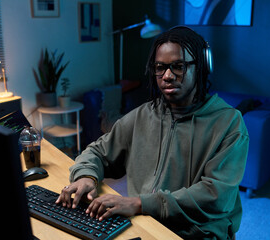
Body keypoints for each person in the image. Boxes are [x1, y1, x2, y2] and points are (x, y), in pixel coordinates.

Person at [56, 26, 249, 239]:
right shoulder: (143, 115)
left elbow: (215, 196)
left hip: (195, 233)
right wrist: (86, 176)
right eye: (160, 67)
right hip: (145, 222)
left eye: (178, 66)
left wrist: (140, 203)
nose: (167, 76)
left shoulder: (228, 123)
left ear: (201, 66)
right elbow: (98, 151)